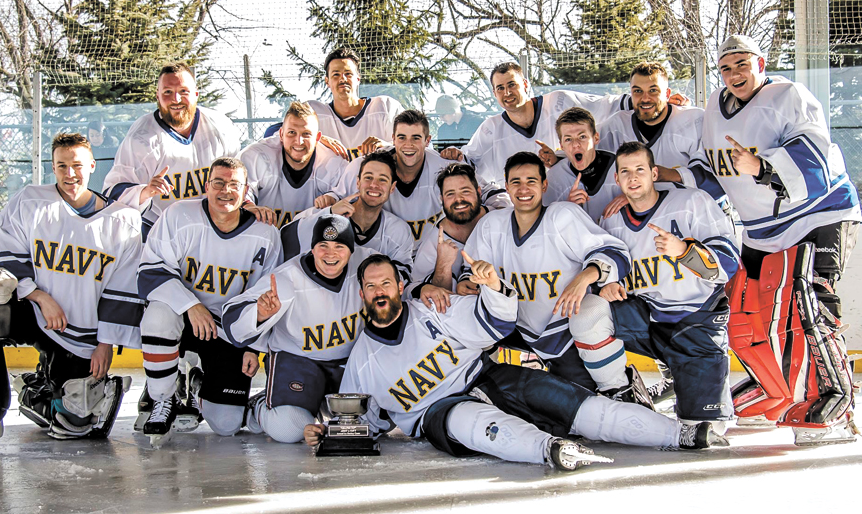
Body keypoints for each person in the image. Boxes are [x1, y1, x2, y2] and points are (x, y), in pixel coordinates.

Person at [303, 255, 726, 470]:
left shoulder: (435, 309)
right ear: (361, 293)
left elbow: (494, 321)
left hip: (484, 375)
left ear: (400, 286)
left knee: (572, 403)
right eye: (370, 285)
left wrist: (492, 287)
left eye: (386, 282)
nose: (379, 290)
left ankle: (684, 434)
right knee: (466, 420)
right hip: (437, 413)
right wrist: (325, 432)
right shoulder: (362, 360)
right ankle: (550, 451)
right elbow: (364, 424)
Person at [661, 34, 860, 443]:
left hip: (817, 215)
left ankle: (837, 400)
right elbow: (712, 172)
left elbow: (816, 153)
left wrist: (763, 166)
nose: (734, 74)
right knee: (746, 313)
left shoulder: (790, 96)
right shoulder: (714, 110)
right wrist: (668, 173)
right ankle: (774, 392)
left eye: (742, 64)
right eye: (726, 67)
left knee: (811, 303)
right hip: (761, 229)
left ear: (761, 63)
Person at [0, 133, 142, 448]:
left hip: (80, 334)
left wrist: (105, 345)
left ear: (92, 165)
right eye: (61, 166)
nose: (70, 174)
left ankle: (38, 389)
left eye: (77, 165)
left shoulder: (124, 222)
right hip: (34, 311)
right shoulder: (31, 201)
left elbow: (123, 292)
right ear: (53, 167)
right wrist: (38, 295)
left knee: (74, 423)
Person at [573, 142, 739, 434]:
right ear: (617, 179)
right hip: (646, 317)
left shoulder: (692, 202)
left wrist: (684, 251)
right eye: (625, 172)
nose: (633, 178)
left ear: (653, 173)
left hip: (695, 319)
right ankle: (622, 392)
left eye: (639, 170)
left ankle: (685, 382)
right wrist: (607, 285)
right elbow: (606, 265)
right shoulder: (612, 220)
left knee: (704, 430)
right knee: (587, 312)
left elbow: (727, 263)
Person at [461, 151, 651, 406]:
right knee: (461, 316)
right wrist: (471, 280)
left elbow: (615, 253)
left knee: (589, 314)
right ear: (506, 186)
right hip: (518, 330)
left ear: (544, 184)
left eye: (531, 181)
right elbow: (469, 272)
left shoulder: (563, 215)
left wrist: (584, 277)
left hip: (567, 332)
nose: (523, 188)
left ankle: (620, 387)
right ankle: (475, 389)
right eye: (516, 182)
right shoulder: (491, 225)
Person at [137, 157, 282, 447]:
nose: (225, 191)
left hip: (228, 330)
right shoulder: (179, 215)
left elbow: (267, 297)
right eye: (219, 183)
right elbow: (150, 272)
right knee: (157, 314)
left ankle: (198, 384)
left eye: (234, 185)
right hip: (186, 318)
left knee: (226, 426)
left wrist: (253, 347)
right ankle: (163, 398)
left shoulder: (265, 234)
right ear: (207, 186)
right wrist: (190, 304)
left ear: (245, 193)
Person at [220, 215, 375, 444]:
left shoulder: (368, 265)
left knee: (377, 418)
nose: (330, 254)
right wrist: (260, 313)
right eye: (323, 246)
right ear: (312, 248)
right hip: (298, 361)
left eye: (339, 246)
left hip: (348, 363)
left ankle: (319, 407)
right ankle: (260, 407)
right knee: (289, 429)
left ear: (351, 250)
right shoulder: (286, 278)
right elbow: (231, 318)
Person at [331, 110, 509, 252]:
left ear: (427, 141)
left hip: (433, 254)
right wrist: (329, 203)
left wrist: (494, 216)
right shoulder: (366, 167)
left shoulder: (445, 164)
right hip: (385, 254)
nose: (408, 144)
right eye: (402, 137)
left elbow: (490, 193)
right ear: (393, 139)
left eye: (416, 138)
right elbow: (335, 200)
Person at [103, 62, 242, 234]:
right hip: (163, 233)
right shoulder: (140, 139)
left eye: (183, 92)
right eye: (168, 92)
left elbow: (240, 179)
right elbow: (111, 193)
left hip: (215, 229)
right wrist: (145, 192)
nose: (176, 99)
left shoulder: (220, 126)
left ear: (196, 94)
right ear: (158, 96)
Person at [439, 61, 629, 185]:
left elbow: (606, 106)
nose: (507, 93)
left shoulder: (559, 102)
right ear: (494, 93)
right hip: (525, 210)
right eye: (500, 88)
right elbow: (470, 160)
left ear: (525, 84)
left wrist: (641, 100)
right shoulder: (491, 129)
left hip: (575, 194)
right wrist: (455, 154)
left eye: (512, 84)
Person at [280, 151, 413, 282]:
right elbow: (285, 238)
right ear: (358, 182)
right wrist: (329, 213)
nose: (374, 185)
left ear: (392, 187)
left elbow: (404, 276)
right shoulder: (329, 212)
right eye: (368, 177)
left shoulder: (398, 231)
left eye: (382, 179)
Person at [239, 101, 348, 228]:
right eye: (292, 132)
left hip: (310, 243)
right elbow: (236, 189)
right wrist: (248, 205)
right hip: (265, 238)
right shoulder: (258, 155)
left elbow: (349, 195)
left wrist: (334, 197)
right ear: (281, 134)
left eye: (306, 134)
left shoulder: (333, 162)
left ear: (318, 138)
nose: (299, 141)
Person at [405, 163, 491, 306]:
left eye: (465, 191)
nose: (459, 199)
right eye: (450, 194)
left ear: (479, 192)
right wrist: (443, 266)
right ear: (442, 199)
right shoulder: (433, 243)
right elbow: (433, 304)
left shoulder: (499, 218)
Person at [308, 47, 404, 161]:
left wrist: (386, 147)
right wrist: (314, 138)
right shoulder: (313, 112)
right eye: (336, 74)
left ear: (358, 78)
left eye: (348, 73)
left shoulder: (385, 107)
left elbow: (415, 141)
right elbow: (284, 133)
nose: (342, 79)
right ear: (327, 81)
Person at [543, 107, 622, 224]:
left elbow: (652, 197)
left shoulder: (622, 167)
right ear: (561, 145)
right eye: (568, 139)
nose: (576, 144)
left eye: (582, 137)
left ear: (595, 138)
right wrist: (566, 208)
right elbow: (545, 227)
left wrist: (633, 198)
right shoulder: (553, 179)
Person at [86, 120, 120, 193]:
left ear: (103, 134)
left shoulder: (113, 150)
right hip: (91, 189)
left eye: (98, 135)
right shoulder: (86, 151)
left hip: (110, 188)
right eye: (92, 135)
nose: (95, 138)